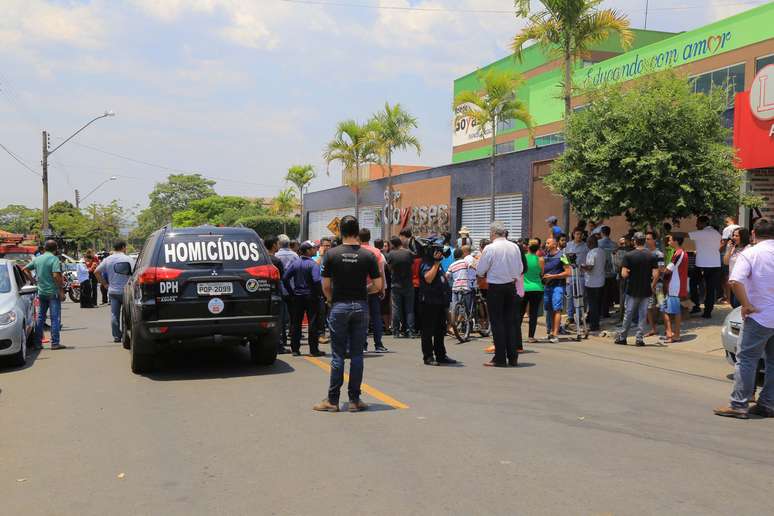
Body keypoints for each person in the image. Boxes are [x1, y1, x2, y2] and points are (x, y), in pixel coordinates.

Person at [314, 216, 381, 413]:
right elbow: (378, 285)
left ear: (340, 232)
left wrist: (331, 299)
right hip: (360, 307)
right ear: (357, 231)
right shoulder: (368, 256)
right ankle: (354, 400)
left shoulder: (331, 254)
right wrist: (362, 292)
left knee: (337, 356)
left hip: (339, 306)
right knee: (357, 355)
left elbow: (325, 286)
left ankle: (333, 401)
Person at [714, 219, 774, 419]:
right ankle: (768, 403)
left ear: (754, 233)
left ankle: (739, 403)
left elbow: (735, 281)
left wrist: (746, 304)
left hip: (759, 315)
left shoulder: (751, 253)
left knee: (747, 359)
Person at [476, 222, 522, 367]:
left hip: (496, 288)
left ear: (493, 233)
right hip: (511, 286)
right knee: (510, 322)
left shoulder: (490, 248)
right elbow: (519, 268)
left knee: (497, 323)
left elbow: (480, 270)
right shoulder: (514, 246)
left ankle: (500, 358)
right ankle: (513, 356)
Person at [614, 233, 659, 347]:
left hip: (632, 289)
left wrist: (629, 272)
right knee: (642, 314)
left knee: (628, 313)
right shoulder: (651, 255)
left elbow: (623, 274)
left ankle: (623, 337)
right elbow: (656, 273)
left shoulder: (629, 256)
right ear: (644, 241)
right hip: (646, 289)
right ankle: (639, 339)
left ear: (634, 241)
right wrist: (652, 285)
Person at [419, 240, 458, 366]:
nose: (440, 253)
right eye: (438, 250)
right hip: (429, 303)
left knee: (440, 331)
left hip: (440, 303)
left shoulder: (438, 264)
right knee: (428, 331)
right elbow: (428, 279)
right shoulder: (427, 263)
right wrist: (436, 263)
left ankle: (441, 355)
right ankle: (428, 357)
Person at [283, 241, 324, 357]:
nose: (315, 250)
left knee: (296, 323)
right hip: (311, 297)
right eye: (313, 248)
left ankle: (295, 349)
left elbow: (285, 278)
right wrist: (319, 293)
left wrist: (291, 292)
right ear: (307, 251)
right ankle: (313, 350)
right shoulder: (313, 265)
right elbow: (316, 280)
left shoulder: (295, 264)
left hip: (297, 296)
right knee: (313, 323)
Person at [23, 240, 66, 350]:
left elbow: (25, 269)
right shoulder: (54, 259)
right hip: (53, 292)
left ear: (45, 248)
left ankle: (37, 343)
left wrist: (34, 281)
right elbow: (56, 275)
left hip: (41, 292)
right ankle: (55, 343)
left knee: (41, 318)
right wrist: (61, 290)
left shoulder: (38, 259)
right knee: (55, 318)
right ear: (56, 249)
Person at [95, 240, 133, 343]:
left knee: (114, 314)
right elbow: (134, 273)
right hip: (126, 291)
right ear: (123, 247)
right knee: (128, 314)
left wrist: (105, 284)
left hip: (112, 291)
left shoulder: (107, 259)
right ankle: (127, 334)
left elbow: (96, 272)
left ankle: (116, 336)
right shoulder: (128, 259)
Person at [359, 229, 389, 353]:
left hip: (359, 289)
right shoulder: (377, 252)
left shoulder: (356, 250)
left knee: (362, 318)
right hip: (374, 288)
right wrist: (382, 288)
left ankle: (363, 345)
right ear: (369, 238)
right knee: (376, 317)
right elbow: (381, 272)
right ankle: (378, 344)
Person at [689, 215, 722, 318]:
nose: (696, 225)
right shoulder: (716, 233)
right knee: (711, 289)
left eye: (698, 223)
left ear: (703, 223)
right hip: (715, 264)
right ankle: (708, 312)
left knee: (693, 283)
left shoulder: (702, 233)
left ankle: (696, 305)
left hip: (702, 264)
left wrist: (670, 234)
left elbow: (686, 235)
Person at [541, 238, 570, 343]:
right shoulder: (546, 256)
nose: (546, 244)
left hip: (558, 286)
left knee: (557, 309)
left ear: (554, 244)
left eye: (548, 243)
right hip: (547, 286)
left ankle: (555, 334)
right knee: (548, 310)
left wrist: (554, 276)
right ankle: (550, 333)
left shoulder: (563, 256)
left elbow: (568, 272)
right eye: (546, 242)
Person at [387, 236, 417, 338]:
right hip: (408, 284)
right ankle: (410, 331)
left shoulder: (391, 254)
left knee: (396, 308)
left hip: (396, 284)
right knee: (409, 309)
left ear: (393, 244)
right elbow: (412, 262)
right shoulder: (408, 253)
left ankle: (396, 331)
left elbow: (389, 267)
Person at [264, 235, 289, 354]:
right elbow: (283, 278)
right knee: (280, 321)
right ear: (274, 245)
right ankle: (279, 345)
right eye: (278, 244)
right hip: (277, 294)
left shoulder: (262, 259)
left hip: (264, 294)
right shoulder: (276, 261)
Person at [660, 234, 688, 343]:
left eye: (670, 240)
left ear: (676, 241)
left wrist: (658, 267)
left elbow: (668, 270)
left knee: (674, 311)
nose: (668, 242)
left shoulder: (679, 253)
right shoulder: (678, 253)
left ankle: (676, 335)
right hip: (673, 285)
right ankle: (671, 333)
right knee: (667, 309)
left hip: (674, 286)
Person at [276, 234, 299, 351]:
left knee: (280, 317)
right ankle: (294, 340)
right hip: (292, 289)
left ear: (279, 244)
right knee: (293, 316)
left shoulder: (275, 256)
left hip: (280, 289)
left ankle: (282, 340)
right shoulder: (295, 256)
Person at [520, 239, 545, 343]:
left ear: (528, 247)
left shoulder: (523, 258)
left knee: (520, 312)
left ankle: (517, 336)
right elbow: (542, 274)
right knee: (533, 313)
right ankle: (531, 337)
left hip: (524, 288)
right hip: (537, 288)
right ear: (538, 248)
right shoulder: (541, 260)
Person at [564, 229, 589, 329]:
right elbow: (563, 258)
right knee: (570, 296)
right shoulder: (568, 245)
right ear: (573, 234)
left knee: (580, 296)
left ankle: (579, 316)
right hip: (570, 274)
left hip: (581, 275)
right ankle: (570, 316)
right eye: (576, 234)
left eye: (580, 234)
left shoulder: (586, 246)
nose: (578, 236)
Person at [582, 234, 606, 333]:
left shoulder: (591, 253)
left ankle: (594, 325)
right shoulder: (602, 252)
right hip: (600, 281)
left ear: (591, 243)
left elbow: (590, 267)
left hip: (592, 282)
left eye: (587, 242)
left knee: (592, 305)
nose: (586, 244)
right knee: (597, 304)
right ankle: (595, 322)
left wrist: (582, 267)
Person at [723, 227, 751, 308]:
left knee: (738, 305)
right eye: (733, 235)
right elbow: (725, 262)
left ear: (743, 237)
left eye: (737, 236)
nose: (734, 238)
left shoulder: (749, 249)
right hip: (732, 282)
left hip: (742, 284)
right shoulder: (733, 248)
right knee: (733, 304)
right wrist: (729, 249)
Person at [645, 231, 665, 338]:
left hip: (658, 285)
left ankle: (668, 329)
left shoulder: (659, 254)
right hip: (648, 284)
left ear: (654, 240)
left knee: (662, 305)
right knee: (648, 307)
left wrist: (654, 283)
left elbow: (661, 269)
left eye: (648, 239)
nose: (646, 241)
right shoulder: (645, 252)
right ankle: (653, 329)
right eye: (646, 239)